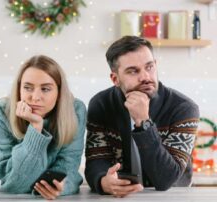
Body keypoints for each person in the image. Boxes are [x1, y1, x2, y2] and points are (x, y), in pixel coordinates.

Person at [0, 55, 87, 200]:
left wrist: (60, 187)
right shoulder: (1, 112)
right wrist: (36, 127)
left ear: (59, 91)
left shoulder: (75, 111)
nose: (35, 97)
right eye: (27, 88)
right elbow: (14, 182)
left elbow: (69, 166)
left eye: (45, 89)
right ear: (19, 89)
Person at [85, 36, 199, 197]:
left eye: (149, 67)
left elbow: (166, 179)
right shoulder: (101, 104)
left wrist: (143, 122)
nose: (145, 76)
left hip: (174, 196)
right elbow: (96, 160)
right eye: (133, 71)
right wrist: (104, 182)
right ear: (115, 79)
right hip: (121, 197)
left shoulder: (183, 108)